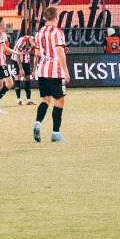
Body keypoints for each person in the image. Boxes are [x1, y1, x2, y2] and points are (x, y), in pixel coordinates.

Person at [30, 14, 69, 143]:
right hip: (55, 70)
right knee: (59, 101)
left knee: (45, 99)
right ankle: (55, 133)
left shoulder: (39, 32)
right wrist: (66, 71)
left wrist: (35, 69)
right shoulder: (57, 32)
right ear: (55, 17)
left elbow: (36, 53)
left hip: (42, 69)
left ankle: (37, 122)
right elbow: (60, 52)